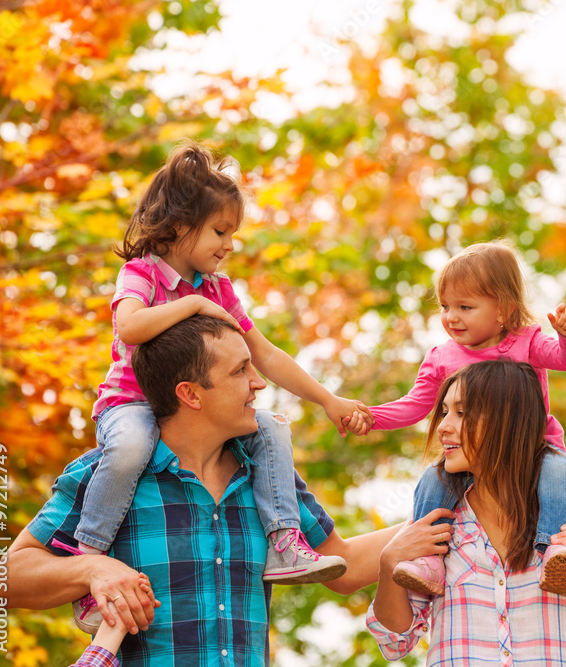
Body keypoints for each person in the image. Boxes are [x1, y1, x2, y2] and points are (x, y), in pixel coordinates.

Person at [0, 316, 449, 666]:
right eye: (240, 372)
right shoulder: (109, 476)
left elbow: (342, 565)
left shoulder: (270, 480)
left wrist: (451, 514)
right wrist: (92, 569)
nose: (260, 383)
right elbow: (7, 580)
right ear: (191, 394)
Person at [75, 140, 373, 626]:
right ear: (177, 226)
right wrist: (191, 306)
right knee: (129, 449)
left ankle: (284, 542)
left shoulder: (219, 288)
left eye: (232, 233)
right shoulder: (142, 274)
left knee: (273, 428)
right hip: (132, 403)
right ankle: (87, 558)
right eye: (219, 231)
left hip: (194, 412)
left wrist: (327, 399)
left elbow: (266, 353)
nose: (229, 244)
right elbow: (128, 327)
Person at [367, 360, 566, 665]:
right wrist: (388, 563)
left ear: (508, 421)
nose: (443, 427)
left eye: (462, 413)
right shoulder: (436, 520)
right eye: (445, 412)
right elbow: (395, 641)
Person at [349, 240, 566, 595]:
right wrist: (371, 417)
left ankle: (559, 551)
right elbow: (416, 404)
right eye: (445, 306)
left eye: (465, 306)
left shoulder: (527, 341)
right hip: (471, 459)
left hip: (530, 449)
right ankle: (428, 560)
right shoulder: (442, 357)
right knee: (434, 480)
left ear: (504, 310)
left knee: (560, 474)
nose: (451, 316)